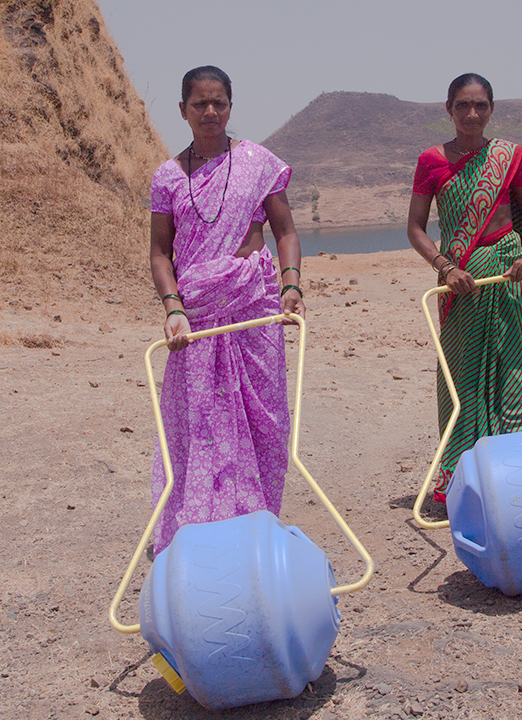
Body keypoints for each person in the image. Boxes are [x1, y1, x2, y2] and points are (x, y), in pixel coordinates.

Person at [147, 65, 305, 551]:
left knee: (266, 419)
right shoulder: (169, 177)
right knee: (198, 423)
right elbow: (159, 252)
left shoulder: (257, 162)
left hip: (255, 310)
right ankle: (201, 530)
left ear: (231, 107)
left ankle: (254, 522)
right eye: (200, 104)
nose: (210, 112)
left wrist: (290, 284)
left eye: (219, 103)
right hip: (196, 317)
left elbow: (285, 232)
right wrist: (173, 306)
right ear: (183, 111)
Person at [406, 73, 522, 503]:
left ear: (491, 109)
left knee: (514, 367)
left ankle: (519, 473)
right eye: (463, 105)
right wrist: (445, 267)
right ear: (448, 110)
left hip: (506, 276)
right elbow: (414, 228)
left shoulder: (510, 156)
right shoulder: (431, 161)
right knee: (459, 378)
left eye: (481, 105)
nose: (472, 114)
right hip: (460, 282)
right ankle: (461, 482)